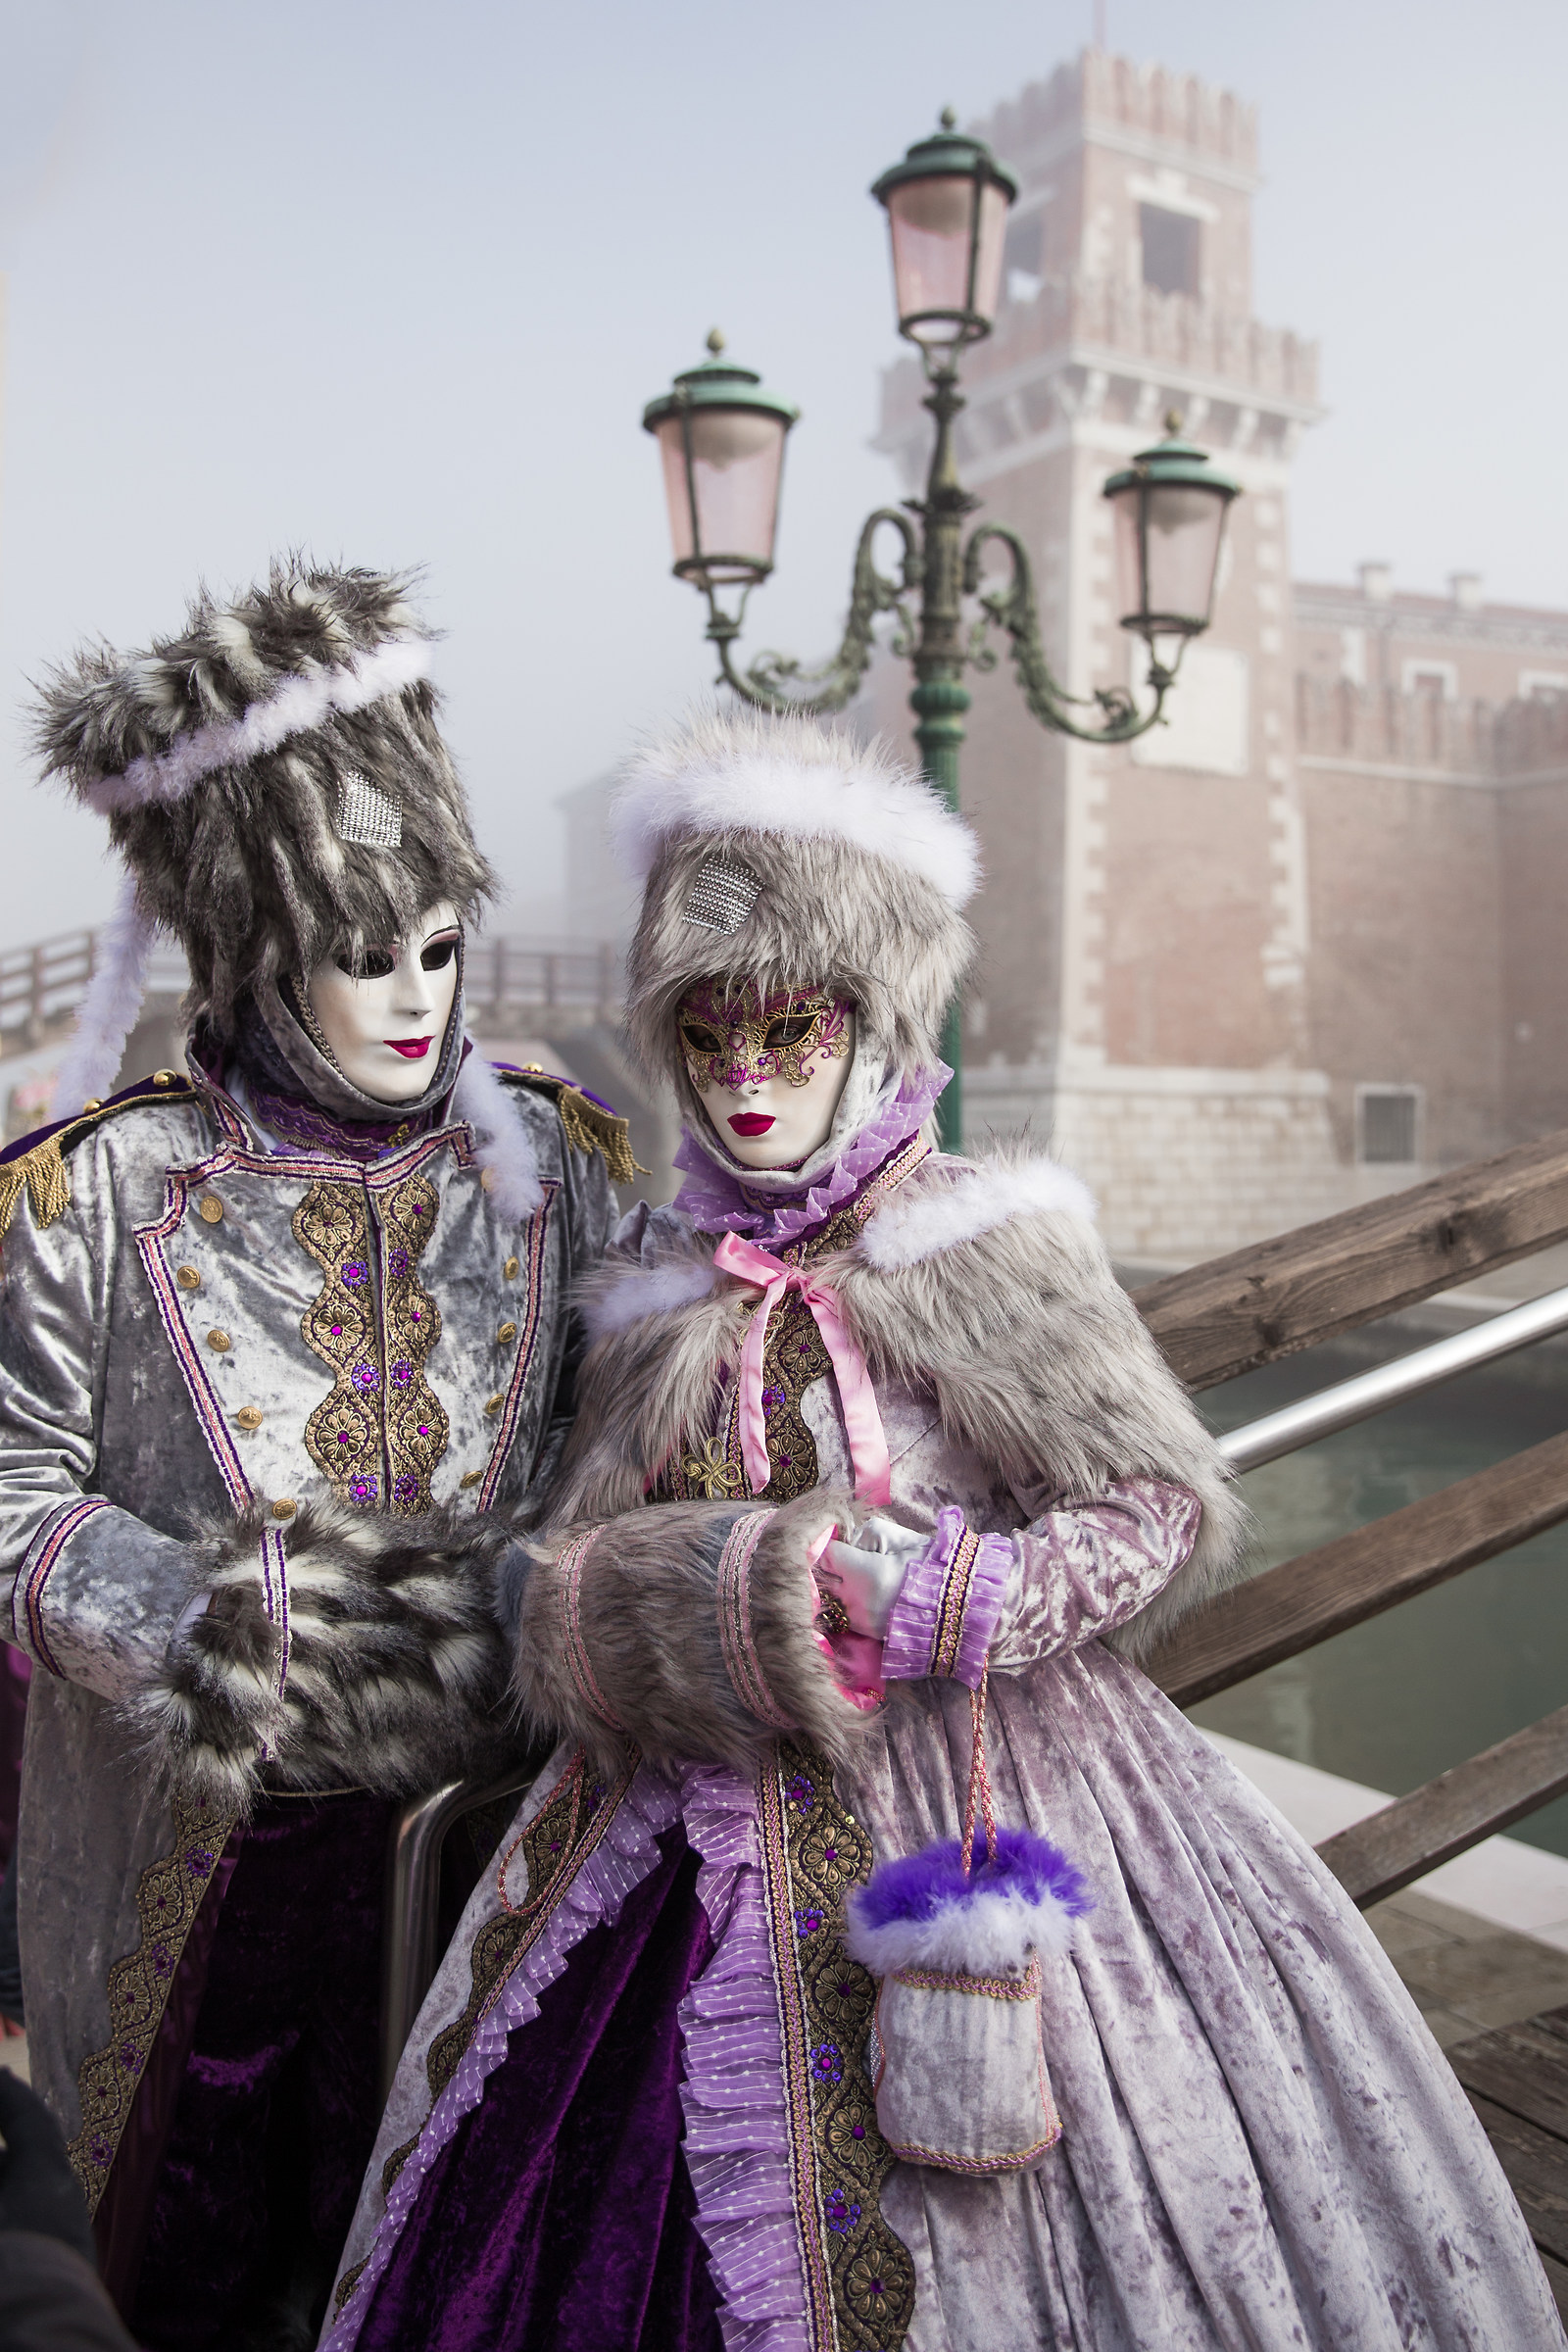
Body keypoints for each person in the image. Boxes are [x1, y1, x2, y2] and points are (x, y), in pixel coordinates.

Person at [326, 708, 1563, 2352]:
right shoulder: (653, 1294)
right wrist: (668, 1599)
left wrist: (964, 1598)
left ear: (870, 1021)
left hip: (984, 1787)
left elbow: (1158, 1506)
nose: (749, 1077)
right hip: (676, 1804)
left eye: (790, 1028)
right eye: (711, 1040)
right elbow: (566, 1572)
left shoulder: (984, 1244)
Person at [0, 563, 627, 2347]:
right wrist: (203, 1614)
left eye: (444, 947)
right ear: (264, 951)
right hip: (207, 1884)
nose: (422, 1002)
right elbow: (9, 1490)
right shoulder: (97, 1192)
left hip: (501, 1854)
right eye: (367, 957)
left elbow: (626, 1449)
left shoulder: (556, 1165)